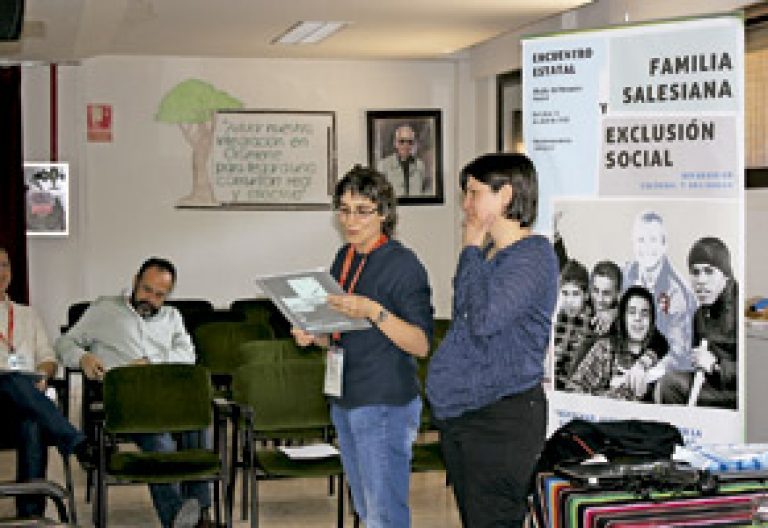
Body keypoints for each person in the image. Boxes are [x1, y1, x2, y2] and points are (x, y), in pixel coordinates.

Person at [292, 165, 433, 528]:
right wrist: (315, 335)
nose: (349, 220)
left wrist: (374, 311)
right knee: (367, 510)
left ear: (384, 213)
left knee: (384, 513)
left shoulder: (404, 265)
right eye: (343, 209)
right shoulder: (345, 257)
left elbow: (420, 344)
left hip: (384, 401)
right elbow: (342, 330)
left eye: (361, 210)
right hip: (346, 395)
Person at [426, 153, 558, 528]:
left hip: (501, 420)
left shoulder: (533, 256)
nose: (466, 205)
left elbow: (483, 319)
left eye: (473, 193)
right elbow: (465, 319)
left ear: (506, 196)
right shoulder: (489, 253)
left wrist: (468, 249)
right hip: (465, 414)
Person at [55, 257, 210, 528]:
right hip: (126, 400)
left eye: (159, 295)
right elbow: (65, 342)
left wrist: (151, 362)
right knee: (160, 442)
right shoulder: (104, 309)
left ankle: (200, 512)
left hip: (168, 395)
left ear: (168, 295)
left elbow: (188, 355)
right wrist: (83, 358)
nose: (150, 298)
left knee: (199, 424)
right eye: (146, 290)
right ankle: (179, 519)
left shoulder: (173, 317)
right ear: (135, 282)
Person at [0, 246, 89, 519]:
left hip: (25, 403)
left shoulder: (27, 315)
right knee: (10, 378)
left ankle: (30, 516)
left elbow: (48, 357)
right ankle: (75, 440)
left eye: (4, 265)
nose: (0, 272)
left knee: (33, 420)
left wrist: (43, 374)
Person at [656, 237, 738, 409]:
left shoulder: (741, 307)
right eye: (695, 272)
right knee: (668, 383)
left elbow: (758, 371)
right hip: (713, 388)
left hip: (740, 394)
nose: (701, 281)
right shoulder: (699, 315)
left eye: (709, 271)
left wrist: (716, 367)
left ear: (726, 275)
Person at [566, 286, 669, 401]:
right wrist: (616, 394)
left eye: (644, 314)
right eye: (632, 312)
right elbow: (572, 391)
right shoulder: (605, 349)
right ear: (623, 318)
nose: (638, 318)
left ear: (651, 321)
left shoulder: (661, 358)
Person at [623, 210, 696, 372]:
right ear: (633, 244)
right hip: (628, 353)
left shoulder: (676, 292)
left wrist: (646, 371)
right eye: (641, 240)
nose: (647, 247)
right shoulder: (625, 274)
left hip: (661, 362)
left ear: (664, 245)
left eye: (653, 240)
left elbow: (677, 351)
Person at [553, 259, 591, 389]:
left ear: (586, 295)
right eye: (565, 293)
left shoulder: (593, 322)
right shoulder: (557, 319)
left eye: (575, 294)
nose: (569, 301)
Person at [377, 124, 429, 197]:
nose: (406, 146)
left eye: (410, 142)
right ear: (395, 143)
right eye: (402, 141)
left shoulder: (420, 165)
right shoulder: (383, 165)